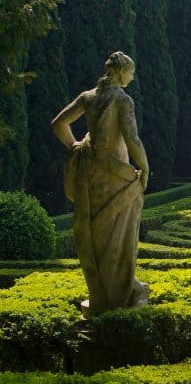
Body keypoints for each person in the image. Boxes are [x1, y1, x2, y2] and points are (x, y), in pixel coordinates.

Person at [52, 51, 150, 315]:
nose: (132, 76)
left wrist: (76, 146)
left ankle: (102, 296)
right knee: (120, 237)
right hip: (117, 177)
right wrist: (144, 167)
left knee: (94, 236)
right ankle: (124, 294)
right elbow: (133, 140)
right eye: (130, 71)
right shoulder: (122, 100)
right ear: (121, 72)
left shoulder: (89, 97)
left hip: (91, 176)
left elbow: (59, 123)